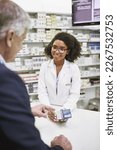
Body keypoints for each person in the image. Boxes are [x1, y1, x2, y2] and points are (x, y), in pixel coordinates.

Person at [0, 0, 72, 150]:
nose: (21, 48)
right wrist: (60, 148)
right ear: (10, 37)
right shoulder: (6, 80)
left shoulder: (73, 68)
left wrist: (24, 111)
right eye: (22, 40)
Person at [38, 32, 81, 122]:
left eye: (62, 49)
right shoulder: (44, 66)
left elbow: (74, 94)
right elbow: (42, 91)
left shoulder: (73, 68)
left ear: (67, 51)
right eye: (54, 47)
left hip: (68, 110)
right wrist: (49, 110)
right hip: (49, 111)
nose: (57, 51)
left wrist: (64, 112)